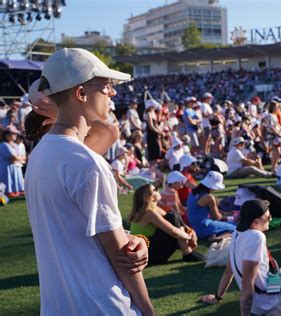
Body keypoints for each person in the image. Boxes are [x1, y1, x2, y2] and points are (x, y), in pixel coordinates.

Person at [25, 48, 154, 314]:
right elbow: (122, 258)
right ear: (81, 93)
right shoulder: (88, 164)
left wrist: (138, 239)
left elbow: (82, 233)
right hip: (102, 306)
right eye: (106, 86)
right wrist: (148, 310)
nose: (113, 93)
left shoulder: (39, 156)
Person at [128, 184, 203, 264]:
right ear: (150, 197)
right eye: (155, 189)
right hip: (146, 254)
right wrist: (189, 237)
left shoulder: (154, 208)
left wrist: (189, 230)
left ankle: (187, 253)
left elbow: (175, 220)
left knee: (172, 215)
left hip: (148, 249)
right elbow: (172, 231)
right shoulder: (149, 212)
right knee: (172, 218)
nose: (158, 190)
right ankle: (187, 253)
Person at [186, 171, 235, 240]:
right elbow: (217, 217)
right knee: (236, 228)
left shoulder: (194, 191)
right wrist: (229, 218)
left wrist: (225, 213)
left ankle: (213, 234)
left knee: (226, 225)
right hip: (204, 227)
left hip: (195, 227)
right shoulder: (209, 198)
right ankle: (218, 237)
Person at [0, 126, 25, 197]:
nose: (15, 135)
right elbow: (13, 157)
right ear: (6, 135)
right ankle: (8, 191)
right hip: (6, 167)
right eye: (13, 134)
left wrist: (18, 158)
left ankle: (16, 190)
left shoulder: (16, 145)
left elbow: (22, 157)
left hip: (15, 166)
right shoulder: (3, 145)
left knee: (16, 178)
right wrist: (19, 158)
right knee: (8, 179)